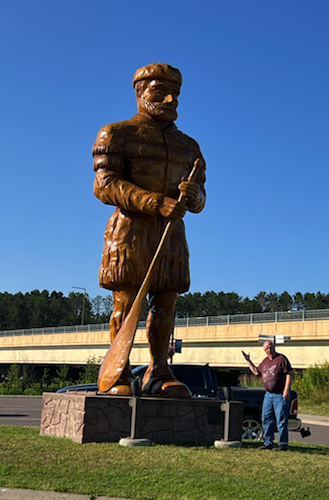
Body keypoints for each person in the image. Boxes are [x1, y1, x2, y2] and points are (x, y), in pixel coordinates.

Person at [92, 63, 206, 398]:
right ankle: (119, 373)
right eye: (160, 93)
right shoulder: (115, 134)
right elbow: (104, 185)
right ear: (141, 93)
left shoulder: (189, 147)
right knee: (126, 303)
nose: (170, 99)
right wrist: (155, 202)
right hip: (130, 231)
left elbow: (201, 197)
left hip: (171, 234)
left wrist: (193, 196)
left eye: (175, 94)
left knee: (166, 303)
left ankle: (159, 371)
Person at [242, 341, 294, 450]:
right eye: (266, 349)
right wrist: (248, 361)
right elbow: (256, 372)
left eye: (270, 347)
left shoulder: (281, 359)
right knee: (266, 418)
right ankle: (268, 442)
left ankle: (283, 444)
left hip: (280, 394)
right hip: (268, 395)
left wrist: (286, 390)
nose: (269, 350)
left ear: (274, 347)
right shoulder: (265, 362)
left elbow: (289, 373)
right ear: (264, 351)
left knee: (281, 419)